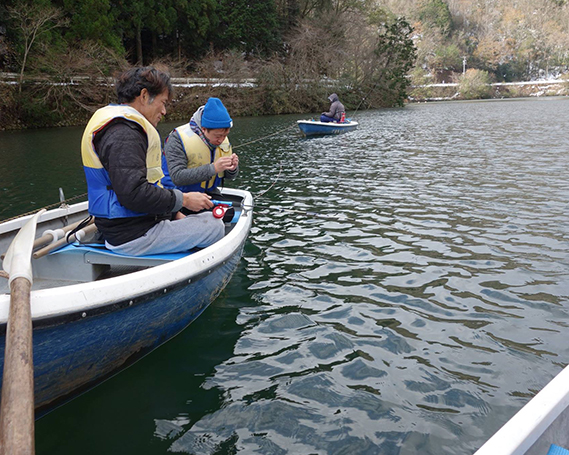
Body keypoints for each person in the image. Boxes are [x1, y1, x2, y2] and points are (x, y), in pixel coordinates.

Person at [80, 66, 224, 256]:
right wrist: (185, 200)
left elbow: (142, 186)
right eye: (163, 102)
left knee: (193, 219)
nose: (164, 111)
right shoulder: (124, 133)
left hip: (132, 226)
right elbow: (134, 194)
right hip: (132, 236)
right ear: (144, 95)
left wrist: (173, 213)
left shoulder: (121, 126)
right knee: (214, 226)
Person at [162, 97, 239, 199]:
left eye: (225, 136)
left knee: (227, 214)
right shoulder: (177, 139)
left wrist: (232, 168)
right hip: (177, 196)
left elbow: (229, 176)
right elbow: (177, 177)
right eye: (217, 136)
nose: (221, 140)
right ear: (204, 129)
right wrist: (213, 168)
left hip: (209, 193)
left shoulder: (220, 135)